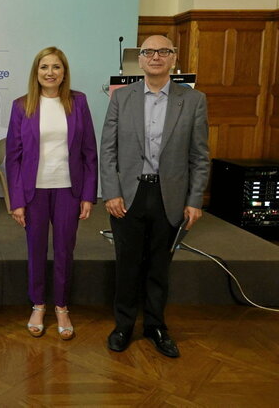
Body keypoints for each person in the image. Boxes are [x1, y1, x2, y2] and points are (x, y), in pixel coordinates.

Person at [100, 35, 209, 358]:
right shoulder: (122, 98)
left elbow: (200, 156)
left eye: (164, 51)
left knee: (159, 265)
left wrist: (194, 199)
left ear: (174, 58)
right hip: (129, 194)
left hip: (170, 195)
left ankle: (155, 326)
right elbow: (108, 149)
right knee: (127, 264)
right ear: (141, 60)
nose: (156, 57)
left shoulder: (193, 101)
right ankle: (123, 325)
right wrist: (111, 192)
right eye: (149, 52)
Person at [5, 47, 98, 340]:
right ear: (36, 72)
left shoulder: (78, 103)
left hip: (69, 190)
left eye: (56, 67)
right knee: (35, 250)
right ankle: (38, 305)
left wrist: (88, 195)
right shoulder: (22, 106)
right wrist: (17, 200)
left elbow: (89, 152)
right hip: (34, 193)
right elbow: (13, 158)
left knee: (63, 251)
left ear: (64, 72)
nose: (50, 72)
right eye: (44, 67)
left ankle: (61, 306)